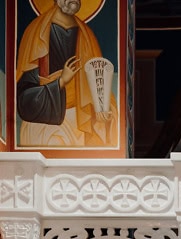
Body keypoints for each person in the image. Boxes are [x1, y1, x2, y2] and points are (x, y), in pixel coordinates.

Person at [16, 0, 118, 148]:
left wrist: (102, 110)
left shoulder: (87, 36)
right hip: (43, 124)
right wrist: (61, 81)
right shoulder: (36, 32)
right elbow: (25, 98)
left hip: (77, 121)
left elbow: (98, 84)